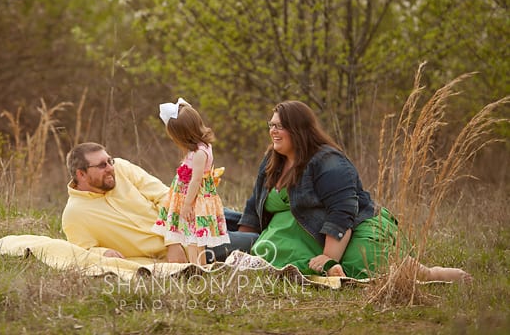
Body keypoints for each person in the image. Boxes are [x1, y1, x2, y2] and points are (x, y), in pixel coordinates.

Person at [236, 100, 471, 282]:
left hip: (352, 226)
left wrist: (329, 257)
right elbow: (254, 204)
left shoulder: (328, 161)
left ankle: (430, 274)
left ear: (298, 129)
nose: (273, 131)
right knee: (278, 254)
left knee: (361, 264)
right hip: (296, 235)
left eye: (280, 126)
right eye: (272, 125)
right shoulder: (272, 160)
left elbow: (343, 210)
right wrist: (242, 245)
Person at [62, 141, 258, 262]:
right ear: (81, 174)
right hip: (193, 245)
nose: (110, 167)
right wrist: (103, 253)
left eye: (109, 161)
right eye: (102, 165)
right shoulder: (75, 215)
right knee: (257, 242)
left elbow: (165, 196)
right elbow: (82, 252)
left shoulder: (121, 168)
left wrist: (171, 240)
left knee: (252, 221)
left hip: (187, 214)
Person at [152, 98, 230, 264]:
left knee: (193, 237)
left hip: (194, 199)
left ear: (183, 135)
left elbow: (196, 180)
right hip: (188, 196)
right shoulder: (200, 148)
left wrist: (187, 204)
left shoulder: (200, 153)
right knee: (191, 235)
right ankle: (197, 266)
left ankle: (197, 267)